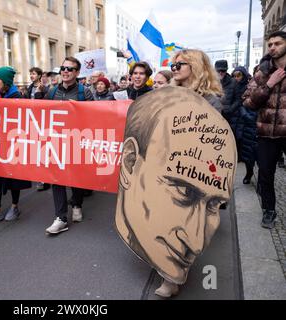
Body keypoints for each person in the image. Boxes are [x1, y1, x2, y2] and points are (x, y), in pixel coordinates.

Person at [116, 86, 237, 298]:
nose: (198, 242)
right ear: (130, 162)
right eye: (183, 191)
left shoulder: (211, 104)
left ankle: (171, 279)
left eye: (214, 204)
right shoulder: (163, 101)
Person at [43, 57, 94, 235]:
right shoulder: (51, 92)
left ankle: (77, 203)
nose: (65, 72)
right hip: (56, 142)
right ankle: (61, 217)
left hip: (77, 143)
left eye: (70, 69)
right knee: (57, 178)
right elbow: (43, 115)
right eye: (62, 68)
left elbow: (94, 118)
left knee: (76, 178)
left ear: (77, 73)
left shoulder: (85, 93)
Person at [0, 67, 32, 226]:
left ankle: (14, 206)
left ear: (6, 81)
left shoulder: (17, 97)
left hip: (13, 144)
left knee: (13, 177)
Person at [247, 31, 286, 229]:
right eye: (269, 44)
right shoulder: (262, 72)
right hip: (267, 133)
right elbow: (248, 102)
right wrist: (269, 85)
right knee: (265, 174)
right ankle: (269, 211)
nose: (272, 47)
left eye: (277, 43)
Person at [24, 67, 50, 192]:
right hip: (31, 121)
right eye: (30, 73)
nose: (31, 75)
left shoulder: (44, 89)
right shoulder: (29, 88)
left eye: (33, 73)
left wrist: (39, 93)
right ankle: (40, 177)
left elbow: (45, 104)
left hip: (42, 122)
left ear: (39, 75)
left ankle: (45, 180)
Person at [240, 67, 259, 185]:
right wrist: (247, 116)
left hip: (261, 126)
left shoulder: (269, 86)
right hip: (249, 126)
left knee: (262, 159)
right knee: (248, 155)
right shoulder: (249, 86)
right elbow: (242, 103)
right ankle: (249, 173)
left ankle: (262, 181)